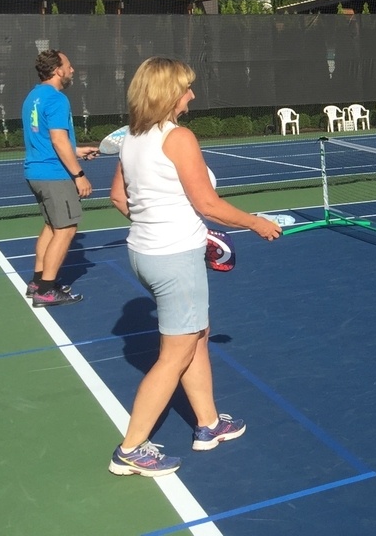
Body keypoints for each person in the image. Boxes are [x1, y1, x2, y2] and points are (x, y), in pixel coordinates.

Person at [108, 57, 282, 477]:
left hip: (145, 254)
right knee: (174, 355)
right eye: (186, 88)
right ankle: (131, 450)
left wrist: (161, 225)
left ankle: (208, 424)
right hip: (173, 260)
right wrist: (257, 223)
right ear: (169, 93)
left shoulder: (130, 136)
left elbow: (118, 198)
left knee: (197, 336)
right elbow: (207, 204)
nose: (192, 95)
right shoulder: (179, 137)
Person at [22, 49, 99, 306]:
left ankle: (37, 282)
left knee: (52, 227)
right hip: (54, 175)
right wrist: (78, 174)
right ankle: (45, 290)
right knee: (66, 230)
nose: (72, 70)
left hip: (36, 172)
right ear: (57, 70)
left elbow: (48, 139)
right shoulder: (57, 99)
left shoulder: (33, 97)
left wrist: (77, 150)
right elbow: (57, 139)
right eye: (68, 65)